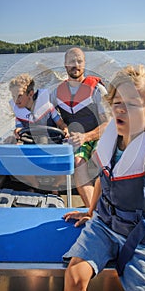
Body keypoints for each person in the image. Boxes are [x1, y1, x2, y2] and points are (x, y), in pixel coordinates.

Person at [62, 65, 145, 291]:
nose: (120, 109)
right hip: (103, 226)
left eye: (132, 105)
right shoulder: (113, 138)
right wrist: (90, 211)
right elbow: (104, 180)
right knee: (75, 275)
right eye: (117, 102)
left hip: (141, 241)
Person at [50, 47, 109, 207]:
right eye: (71, 62)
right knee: (77, 161)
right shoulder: (56, 93)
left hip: (98, 136)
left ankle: (108, 204)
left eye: (79, 61)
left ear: (84, 64)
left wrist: (86, 137)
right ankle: (93, 212)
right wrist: (62, 126)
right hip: (75, 140)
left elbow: (109, 124)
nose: (75, 65)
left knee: (99, 156)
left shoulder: (98, 90)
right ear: (65, 66)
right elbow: (46, 114)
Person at [9, 73, 69, 190]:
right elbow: (19, 128)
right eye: (13, 96)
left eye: (19, 96)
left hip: (52, 143)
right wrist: (17, 131)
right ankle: (34, 183)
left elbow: (61, 123)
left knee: (64, 164)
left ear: (30, 94)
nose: (16, 100)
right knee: (17, 160)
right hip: (31, 145)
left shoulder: (48, 107)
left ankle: (55, 185)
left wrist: (65, 129)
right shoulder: (19, 114)